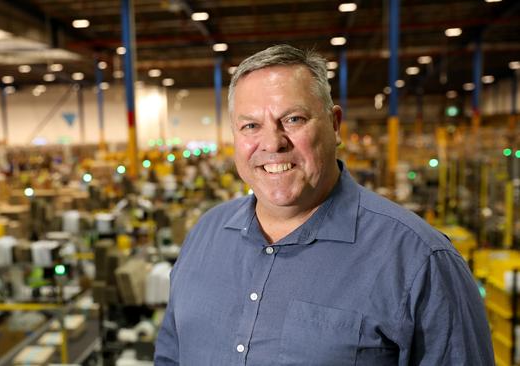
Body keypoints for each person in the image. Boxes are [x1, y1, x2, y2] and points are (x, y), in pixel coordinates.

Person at [154, 44, 493, 365]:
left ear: (334, 124)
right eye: (251, 126)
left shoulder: (419, 260)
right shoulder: (205, 236)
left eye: (293, 119)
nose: (272, 142)